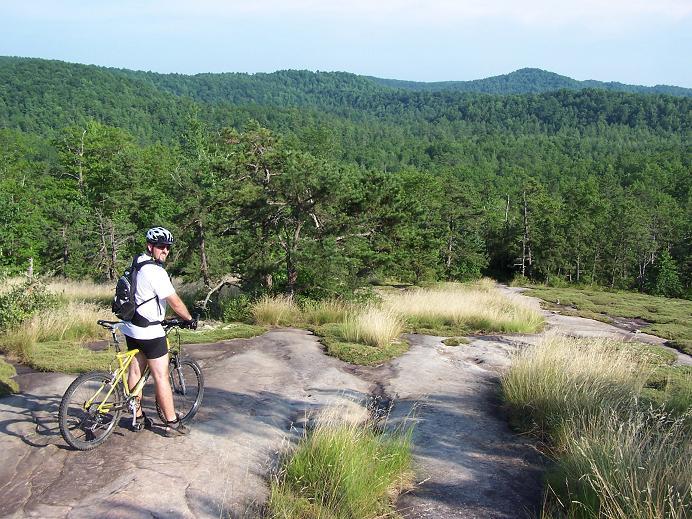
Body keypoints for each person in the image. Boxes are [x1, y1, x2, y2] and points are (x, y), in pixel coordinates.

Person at [120, 226, 196, 437]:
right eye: (161, 246)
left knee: (135, 371)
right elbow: (175, 302)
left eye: (168, 247)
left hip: (132, 327)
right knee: (161, 375)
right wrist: (188, 319)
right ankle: (171, 422)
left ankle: (138, 417)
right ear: (150, 246)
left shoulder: (137, 263)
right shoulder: (156, 271)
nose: (165, 251)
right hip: (150, 333)